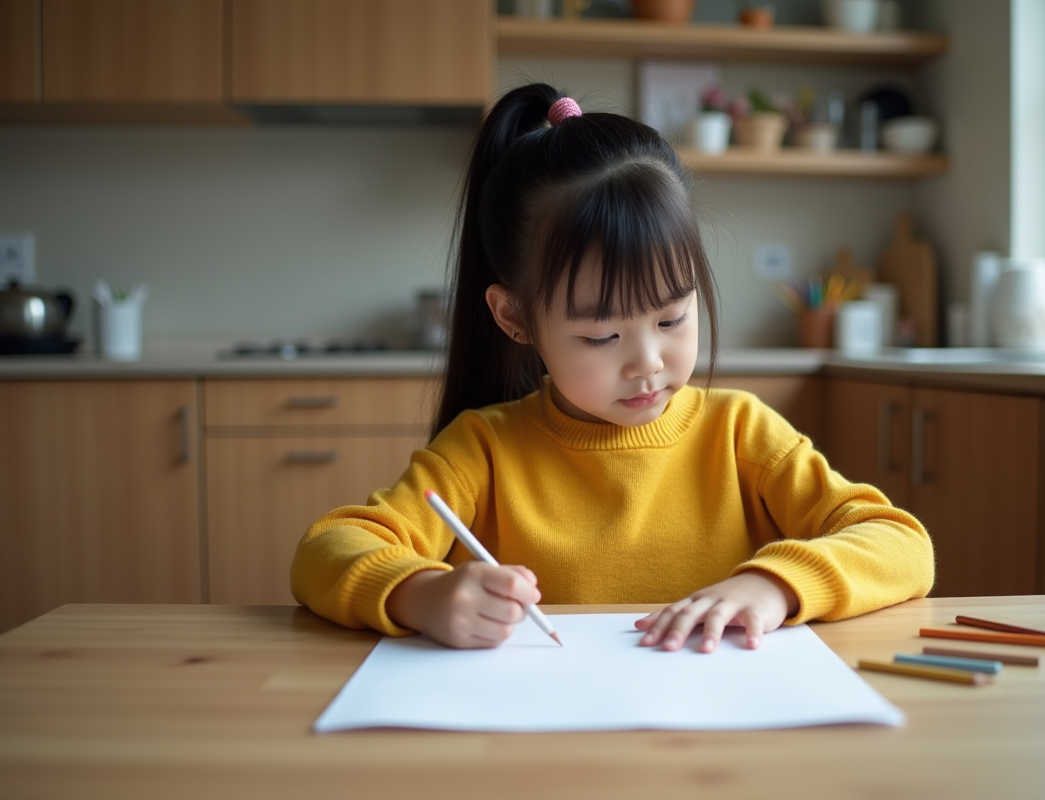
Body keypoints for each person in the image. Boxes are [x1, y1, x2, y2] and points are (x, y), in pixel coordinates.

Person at [291, 83, 934, 654]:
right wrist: (422, 594)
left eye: (672, 319)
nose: (648, 364)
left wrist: (775, 586)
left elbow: (901, 543)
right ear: (514, 317)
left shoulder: (741, 434)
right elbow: (327, 550)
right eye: (601, 334)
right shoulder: (482, 452)